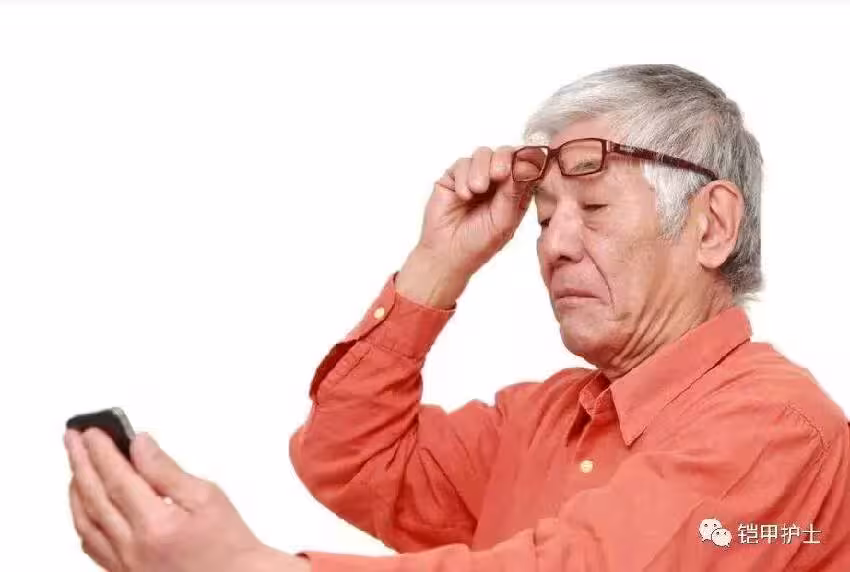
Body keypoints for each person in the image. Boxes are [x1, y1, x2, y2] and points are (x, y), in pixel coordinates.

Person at [63, 64, 850, 572]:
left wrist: (251, 569)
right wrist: (438, 265)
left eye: (594, 207)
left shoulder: (778, 427)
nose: (553, 245)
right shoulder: (537, 420)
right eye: (543, 217)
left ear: (712, 226)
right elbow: (346, 460)